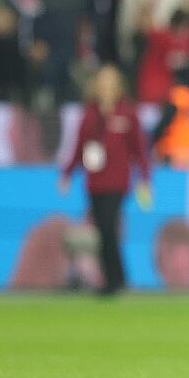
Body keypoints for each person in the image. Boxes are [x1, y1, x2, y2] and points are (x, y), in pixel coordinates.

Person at [60, 64, 151, 295]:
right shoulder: (90, 114)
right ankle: (113, 279)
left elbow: (139, 150)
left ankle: (115, 280)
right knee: (102, 231)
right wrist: (68, 174)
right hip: (95, 182)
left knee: (109, 228)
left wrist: (144, 178)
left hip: (118, 181)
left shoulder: (127, 113)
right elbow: (78, 147)